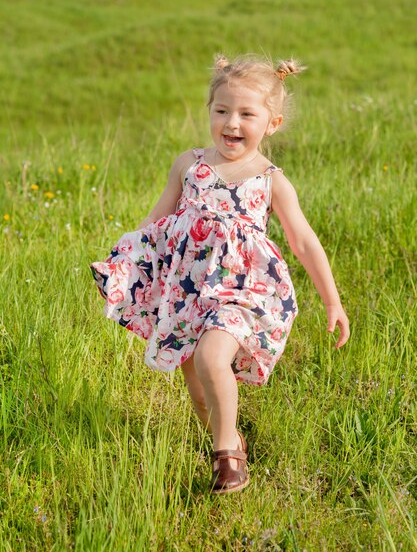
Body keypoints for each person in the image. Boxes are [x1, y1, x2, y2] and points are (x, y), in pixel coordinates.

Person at [90, 53, 350, 495]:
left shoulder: (270, 181)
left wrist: (332, 300)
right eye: (222, 110)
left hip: (240, 293)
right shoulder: (188, 165)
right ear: (209, 110)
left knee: (214, 358)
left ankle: (227, 454)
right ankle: (226, 438)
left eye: (247, 114)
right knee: (198, 388)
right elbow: (156, 220)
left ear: (273, 123)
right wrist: (126, 260)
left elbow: (304, 241)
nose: (232, 122)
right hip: (186, 291)